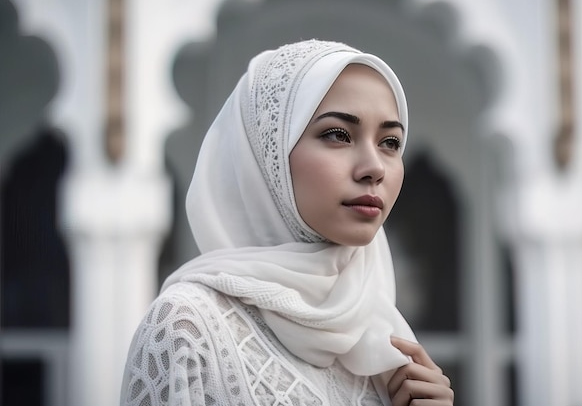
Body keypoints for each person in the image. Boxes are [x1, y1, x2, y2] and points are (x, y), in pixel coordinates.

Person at [120, 39, 454, 406]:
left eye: (390, 142)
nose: (374, 167)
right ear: (268, 156)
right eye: (338, 135)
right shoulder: (187, 326)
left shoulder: (380, 338)